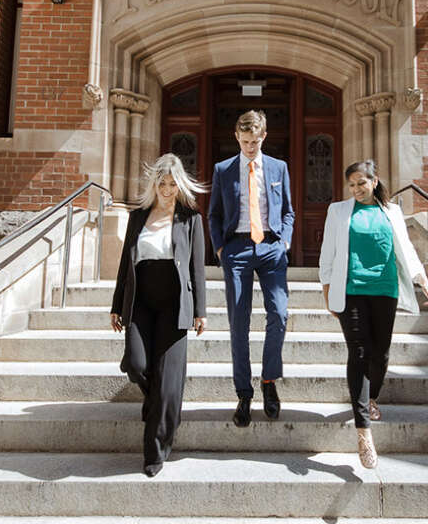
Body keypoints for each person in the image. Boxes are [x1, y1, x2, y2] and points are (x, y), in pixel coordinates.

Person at [317, 159, 428, 468]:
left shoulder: (392, 212)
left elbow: (405, 249)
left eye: (362, 183)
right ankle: (364, 432)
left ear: (375, 181)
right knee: (358, 352)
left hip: (385, 289)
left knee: (380, 354)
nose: (356, 189)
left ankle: (371, 397)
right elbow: (327, 252)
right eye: (352, 184)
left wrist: (422, 280)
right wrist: (328, 291)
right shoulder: (338, 211)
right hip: (352, 289)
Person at [110, 153, 209, 477]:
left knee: (168, 384)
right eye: (161, 183)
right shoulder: (138, 216)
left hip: (174, 303)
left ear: (180, 185)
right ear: (154, 184)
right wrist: (116, 306)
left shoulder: (190, 219)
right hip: (141, 301)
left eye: (172, 184)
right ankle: (157, 405)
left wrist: (200, 312)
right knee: (137, 365)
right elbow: (126, 263)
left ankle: (155, 451)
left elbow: (196, 269)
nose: (166, 190)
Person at [208, 109, 295, 427]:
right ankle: (243, 393)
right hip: (237, 249)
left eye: (254, 141)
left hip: (271, 248)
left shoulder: (278, 167)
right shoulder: (223, 169)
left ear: (264, 137)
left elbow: (288, 211)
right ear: (236, 137)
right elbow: (214, 213)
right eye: (244, 141)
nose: (249, 146)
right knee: (238, 324)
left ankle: (269, 381)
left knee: (279, 314)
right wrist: (221, 248)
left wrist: (284, 241)